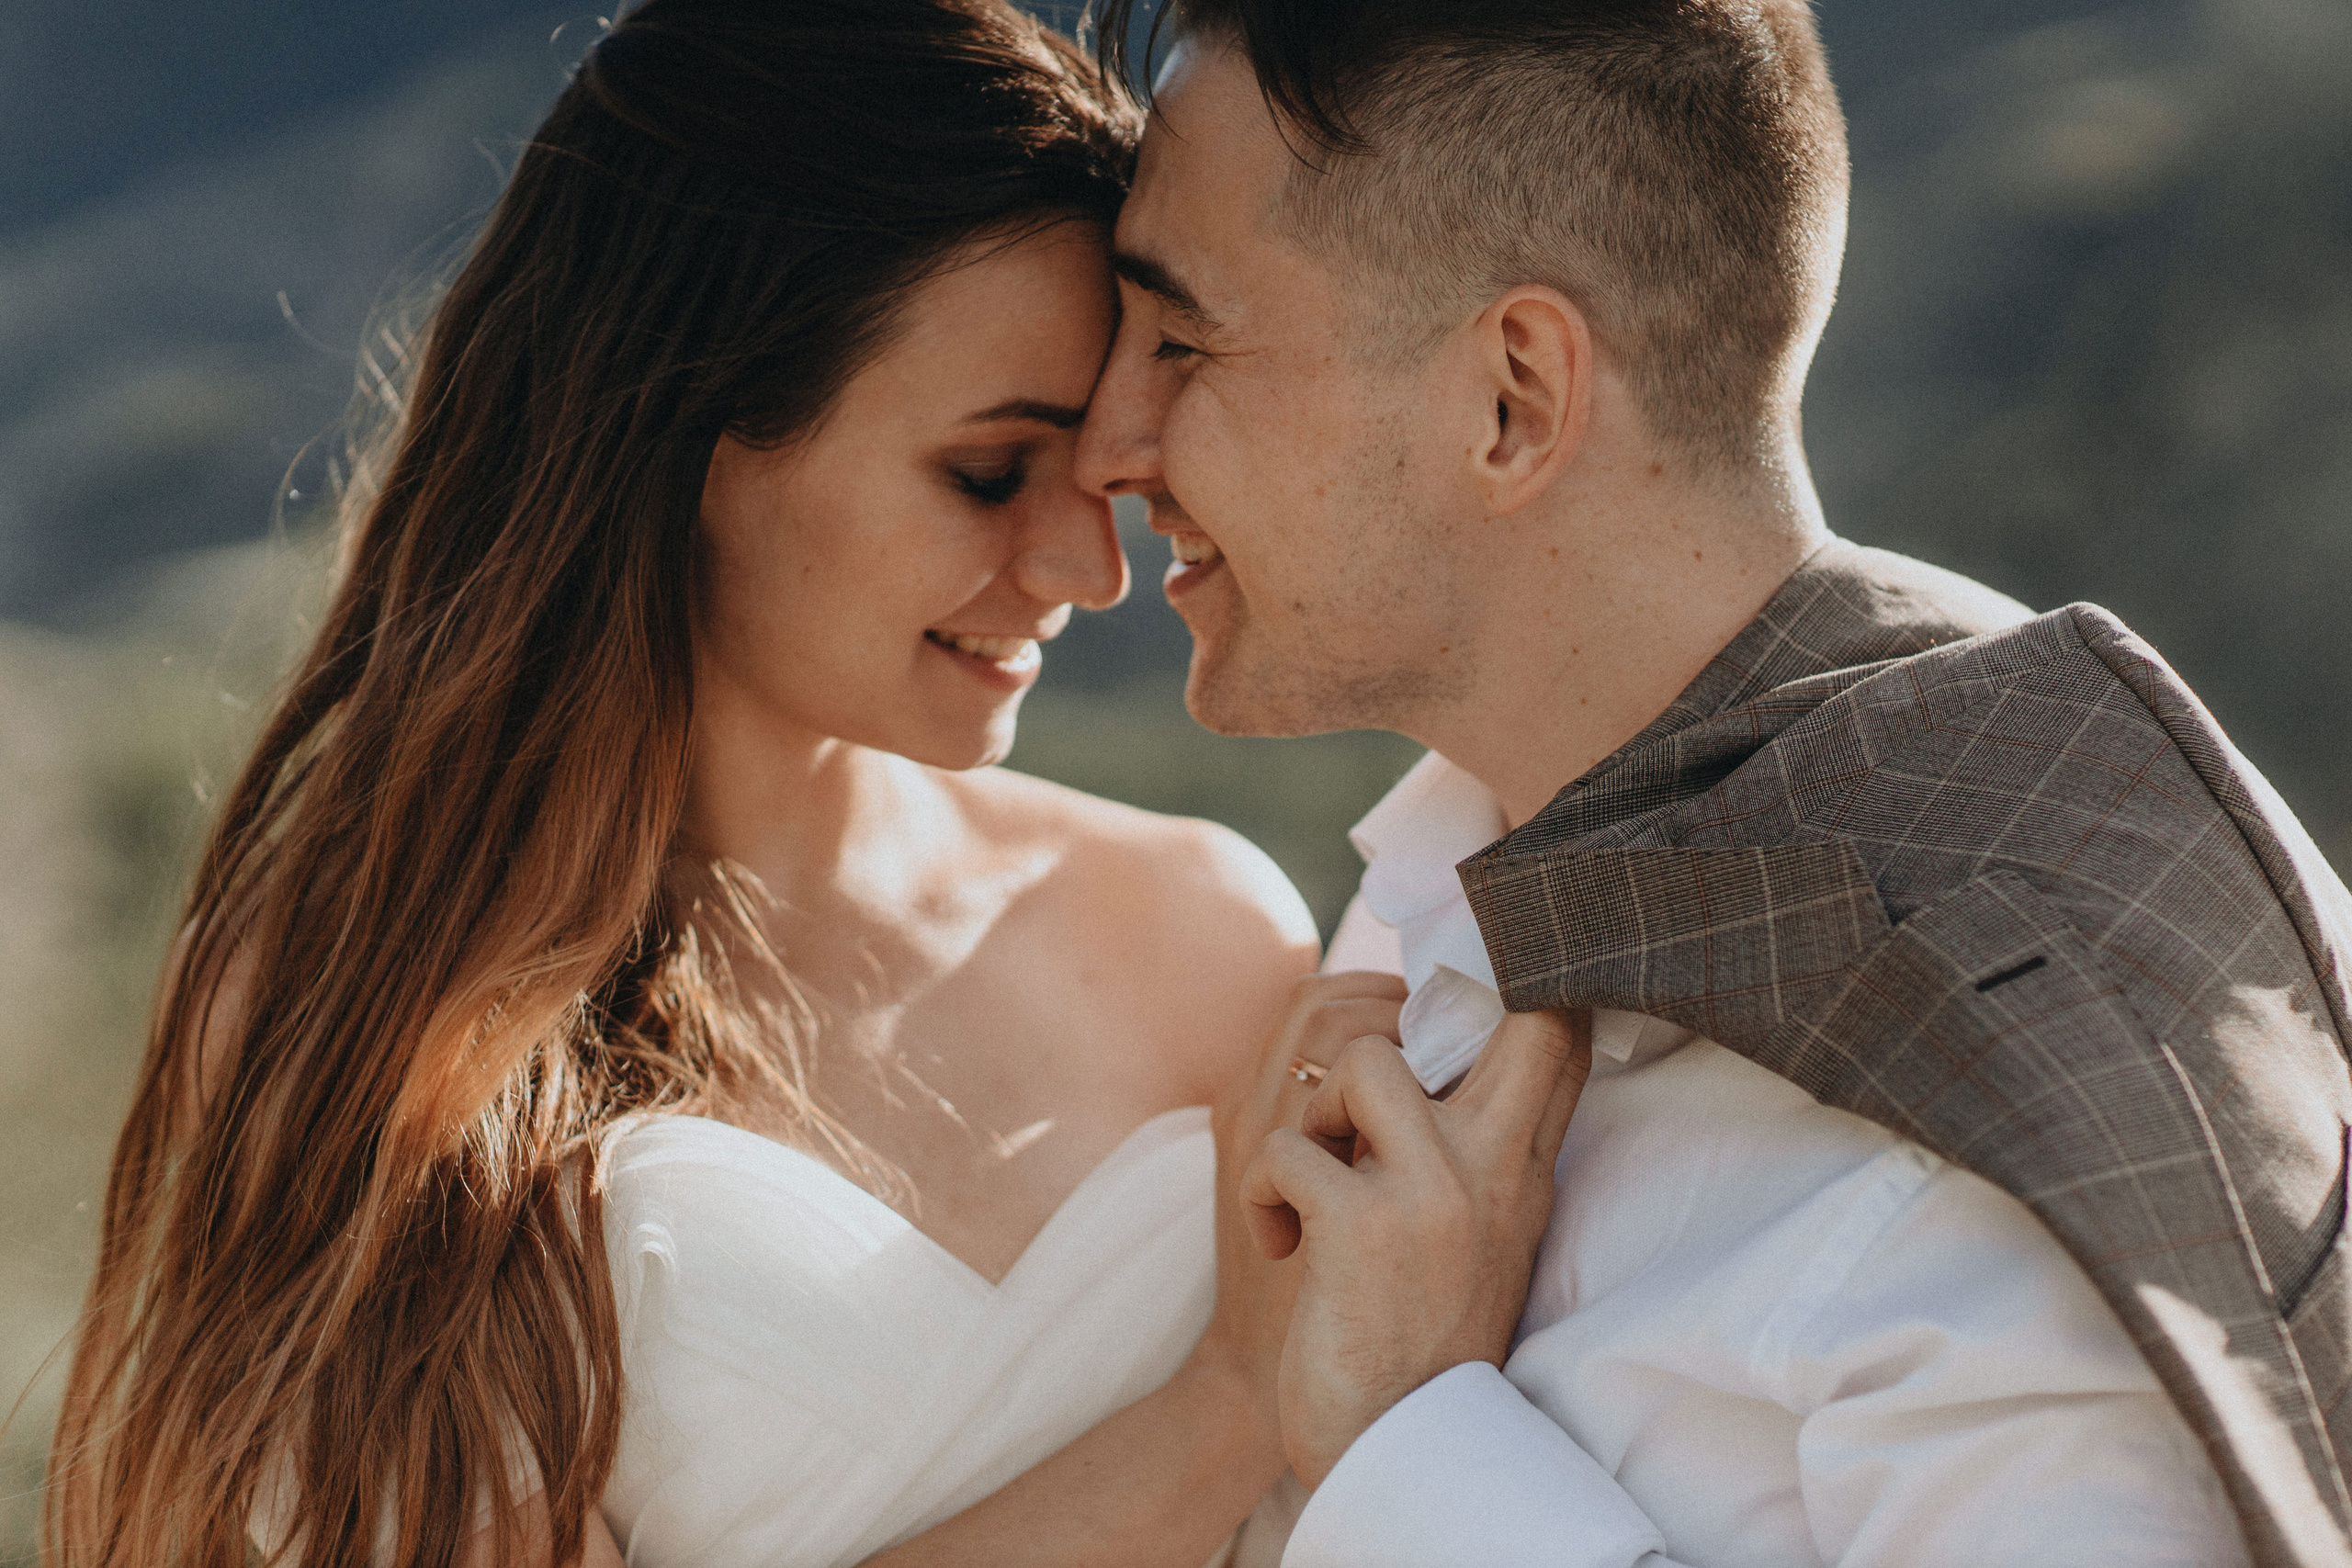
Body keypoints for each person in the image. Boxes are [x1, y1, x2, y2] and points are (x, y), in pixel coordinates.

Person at [42, 5, 1595, 1564]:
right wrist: (1236, 1400)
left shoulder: (1206, 930)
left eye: (1113, 481)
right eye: (990, 472)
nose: (1081, 568)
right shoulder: (380, 1004)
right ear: (684, 425)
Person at [1077, 2, 2352, 1564]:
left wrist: (1413, 1445)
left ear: (1512, 398)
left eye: (1185, 341)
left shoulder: (1995, 1116)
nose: (1108, 448)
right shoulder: (1455, 874)